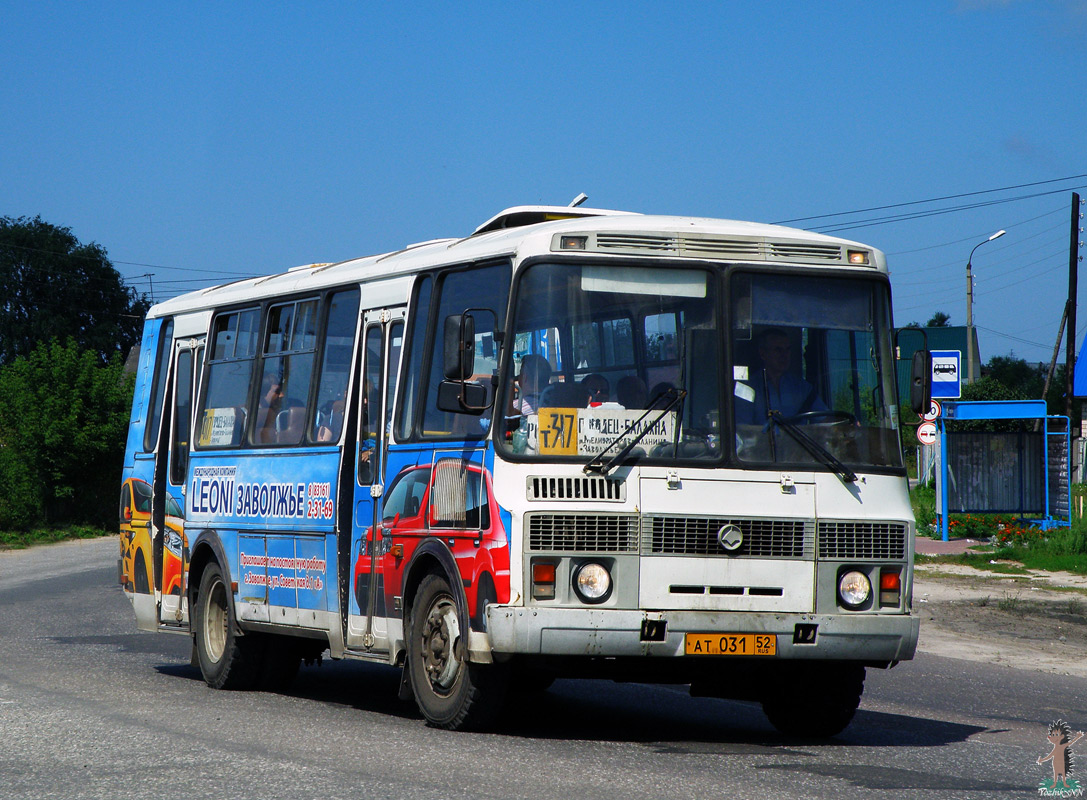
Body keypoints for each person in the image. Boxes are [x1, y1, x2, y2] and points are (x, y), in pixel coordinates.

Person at [735, 328, 825, 425]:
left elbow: (825, 422)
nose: (784, 355)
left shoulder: (801, 388)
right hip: (764, 440)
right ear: (763, 353)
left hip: (800, 440)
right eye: (778, 350)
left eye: (787, 350)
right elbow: (743, 430)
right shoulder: (746, 388)